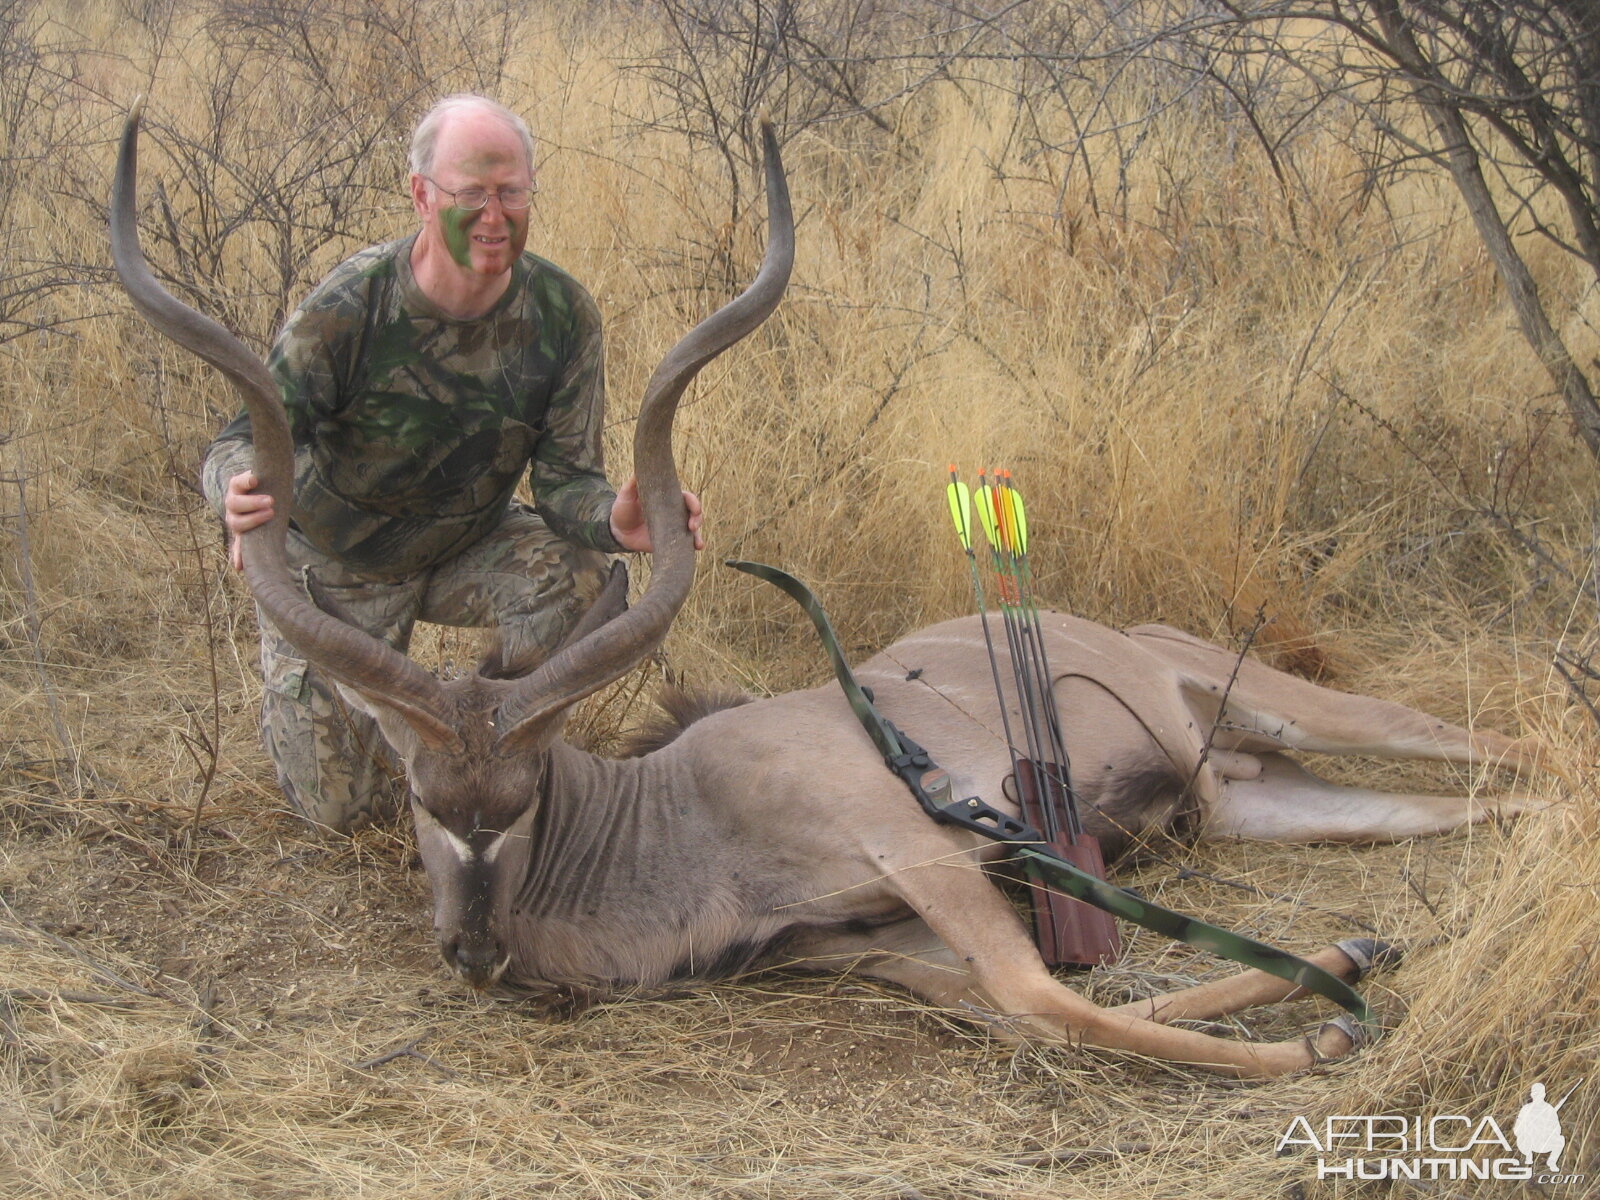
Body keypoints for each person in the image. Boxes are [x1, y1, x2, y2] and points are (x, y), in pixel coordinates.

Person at [202, 94, 702, 833]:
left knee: (581, 577)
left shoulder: (563, 313)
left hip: (470, 541)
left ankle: (498, 746)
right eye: (472, 194)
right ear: (423, 195)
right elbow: (238, 441)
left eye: (512, 192)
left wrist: (612, 517)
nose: (495, 216)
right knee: (349, 813)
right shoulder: (349, 308)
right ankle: (328, 703)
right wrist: (236, 494)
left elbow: (567, 482)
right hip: (338, 568)